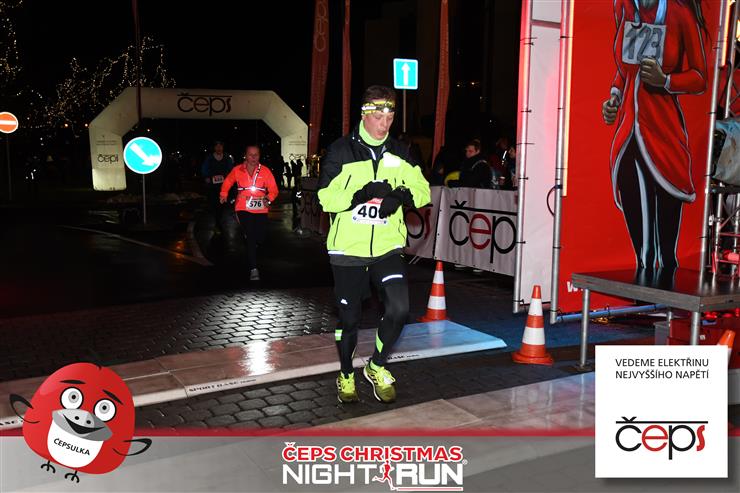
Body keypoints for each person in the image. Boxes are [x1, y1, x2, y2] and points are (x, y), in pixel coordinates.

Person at [317, 85, 431, 404]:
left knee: (400, 309)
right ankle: (345, 374)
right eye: (379, 117)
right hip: (348, 250)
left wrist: (400, 196)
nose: (385, 124)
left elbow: (423, 190)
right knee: (349, 320)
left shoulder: (400, 151)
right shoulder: (341, 150)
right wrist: (360, 194)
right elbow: (325, 198)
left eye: (390, 117)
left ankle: (376, 366)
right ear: (365, 114)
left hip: (386, 247)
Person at [602, 0, 708, 270]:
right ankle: (642, 288)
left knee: (667, 256)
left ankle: (663, 292)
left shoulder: (680, 14)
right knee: (644, 255)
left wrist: (667, 81)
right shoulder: (624, 7)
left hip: (665, 137)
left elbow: (700, 77)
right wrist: (614, 97)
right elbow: (625, 69)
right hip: (629, 135)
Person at [220, 145, 279, 281]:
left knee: (260, 237)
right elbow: (228, 181)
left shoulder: (265, 171)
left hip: (261, 208)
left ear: (259, 156)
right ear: (245, 156)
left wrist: (268, 199)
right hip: (243, 207)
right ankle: (253, 268)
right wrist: (223, 193)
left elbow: (274, 190)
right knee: (251, 236)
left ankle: (252, 239)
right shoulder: (237, 170)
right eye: (250, 154)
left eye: (256, 154)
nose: (253, 157)